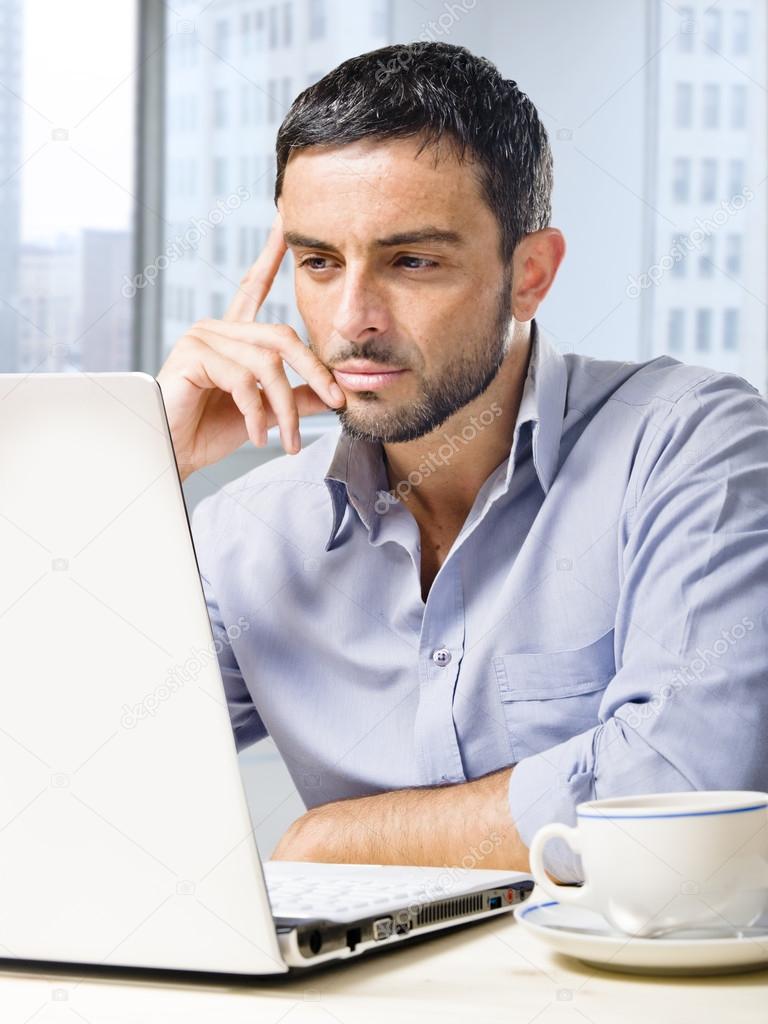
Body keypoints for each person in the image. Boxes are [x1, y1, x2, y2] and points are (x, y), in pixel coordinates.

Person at [156, 42, 768, 883]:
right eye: (319, 263)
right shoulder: (244, 533)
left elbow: (684, 788)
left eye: (412, 261)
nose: (352, 319)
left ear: (530, 275)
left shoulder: (687, 445)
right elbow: (65, 777)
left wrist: (337, 841)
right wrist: (141, 467)